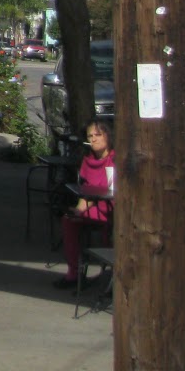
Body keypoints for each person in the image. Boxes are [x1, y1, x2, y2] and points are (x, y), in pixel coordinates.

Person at [52, 118, 114, 288]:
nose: (93, 139)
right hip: (94, 207)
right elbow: (85, 193)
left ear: (108, 136)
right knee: (69, 219)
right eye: (90, 136)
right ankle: (74, 272)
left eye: (98, 135)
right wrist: (79, 210)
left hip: (112, 208)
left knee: (113, 228)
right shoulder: (88, 161)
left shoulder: (115, 159)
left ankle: (113, 275)